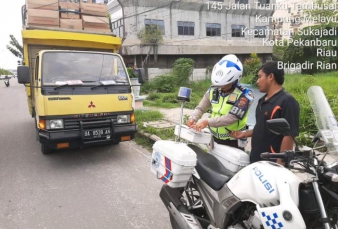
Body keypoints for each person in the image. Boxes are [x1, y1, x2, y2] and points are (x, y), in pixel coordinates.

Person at [230, 61, 300, 164]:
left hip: (272, 163)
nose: (257, 81)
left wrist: (280, 164)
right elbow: (261, 127)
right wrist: (244, 134)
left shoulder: (287, 101)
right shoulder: (262, 101)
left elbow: (289, 136)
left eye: (260, 77)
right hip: (256, 159)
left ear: (271, 76)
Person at [187, 54, 253, 150]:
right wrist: (193, 118)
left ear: (235, 80)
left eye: (225, 84)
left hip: (233, 140)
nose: (221, 87)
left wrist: (207, 122)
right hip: (213, 139)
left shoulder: (245, 94)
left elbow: (231, 118)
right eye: (219, 84)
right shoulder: (213, 89)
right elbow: (201, 108)